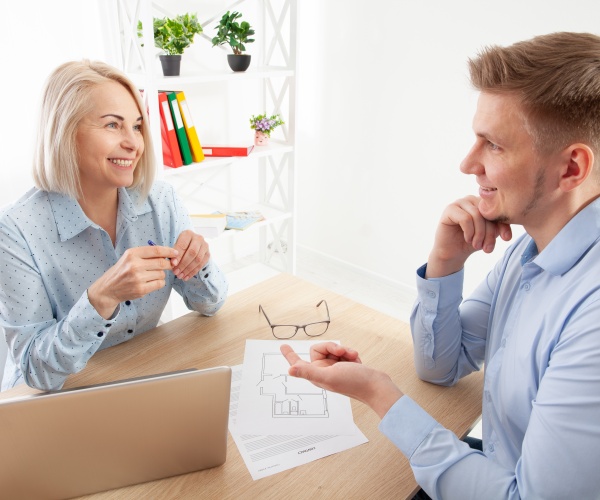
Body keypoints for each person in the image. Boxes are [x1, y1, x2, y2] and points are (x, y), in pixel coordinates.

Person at [281, 31, 600, 499]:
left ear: (571, 169)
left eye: (493, 145)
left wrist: (379, 394)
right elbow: (442, 365)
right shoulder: (529, 250)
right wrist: (446, 261)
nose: (467, 163)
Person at [0, 60, 228, 392]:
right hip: (53, 398)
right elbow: (38, 372)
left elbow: (211, 304)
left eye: (136, 126)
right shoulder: (16, 230)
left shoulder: (159, 200)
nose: (134, 143)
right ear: (65, 132)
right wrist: (102, 298)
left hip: (139, 375)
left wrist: (200, 265)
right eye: (112, 125)